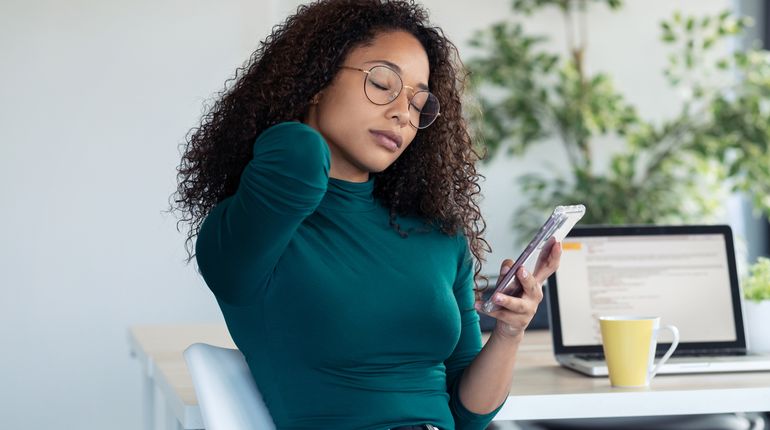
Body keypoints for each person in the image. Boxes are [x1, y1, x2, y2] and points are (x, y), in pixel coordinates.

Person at [174, 1, 562, 429]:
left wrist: (510, 332)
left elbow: (468, 415)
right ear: (316, 79)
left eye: (419, 103)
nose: (402, 113)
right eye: (381, 83)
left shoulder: (437, 236)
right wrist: (296, 105)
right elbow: (298, 157)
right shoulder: (253, 236)